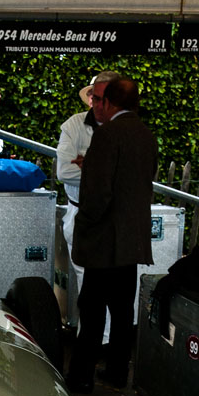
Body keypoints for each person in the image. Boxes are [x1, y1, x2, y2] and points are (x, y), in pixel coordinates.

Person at [66, 76, 158, 394]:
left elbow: (98, 193)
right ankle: (118, 371)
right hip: (131, 239)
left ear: (109, 102)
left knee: (91, 311)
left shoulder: (107, 135)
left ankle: (81, 376)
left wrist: (87, 222)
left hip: (105, 239)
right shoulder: (146, 135)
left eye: (100, 101)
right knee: (122, 310)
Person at [56, 70, 119, 294]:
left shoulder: (128, 128)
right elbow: (64, 171)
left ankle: (106, 331)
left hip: (116, 219)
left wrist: (88, 165)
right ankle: (97, 331)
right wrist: (110, 172)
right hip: (83, 217)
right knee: (90, 288)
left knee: (114, 288)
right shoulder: (73, 125)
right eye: (94, 95)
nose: (96, 100)